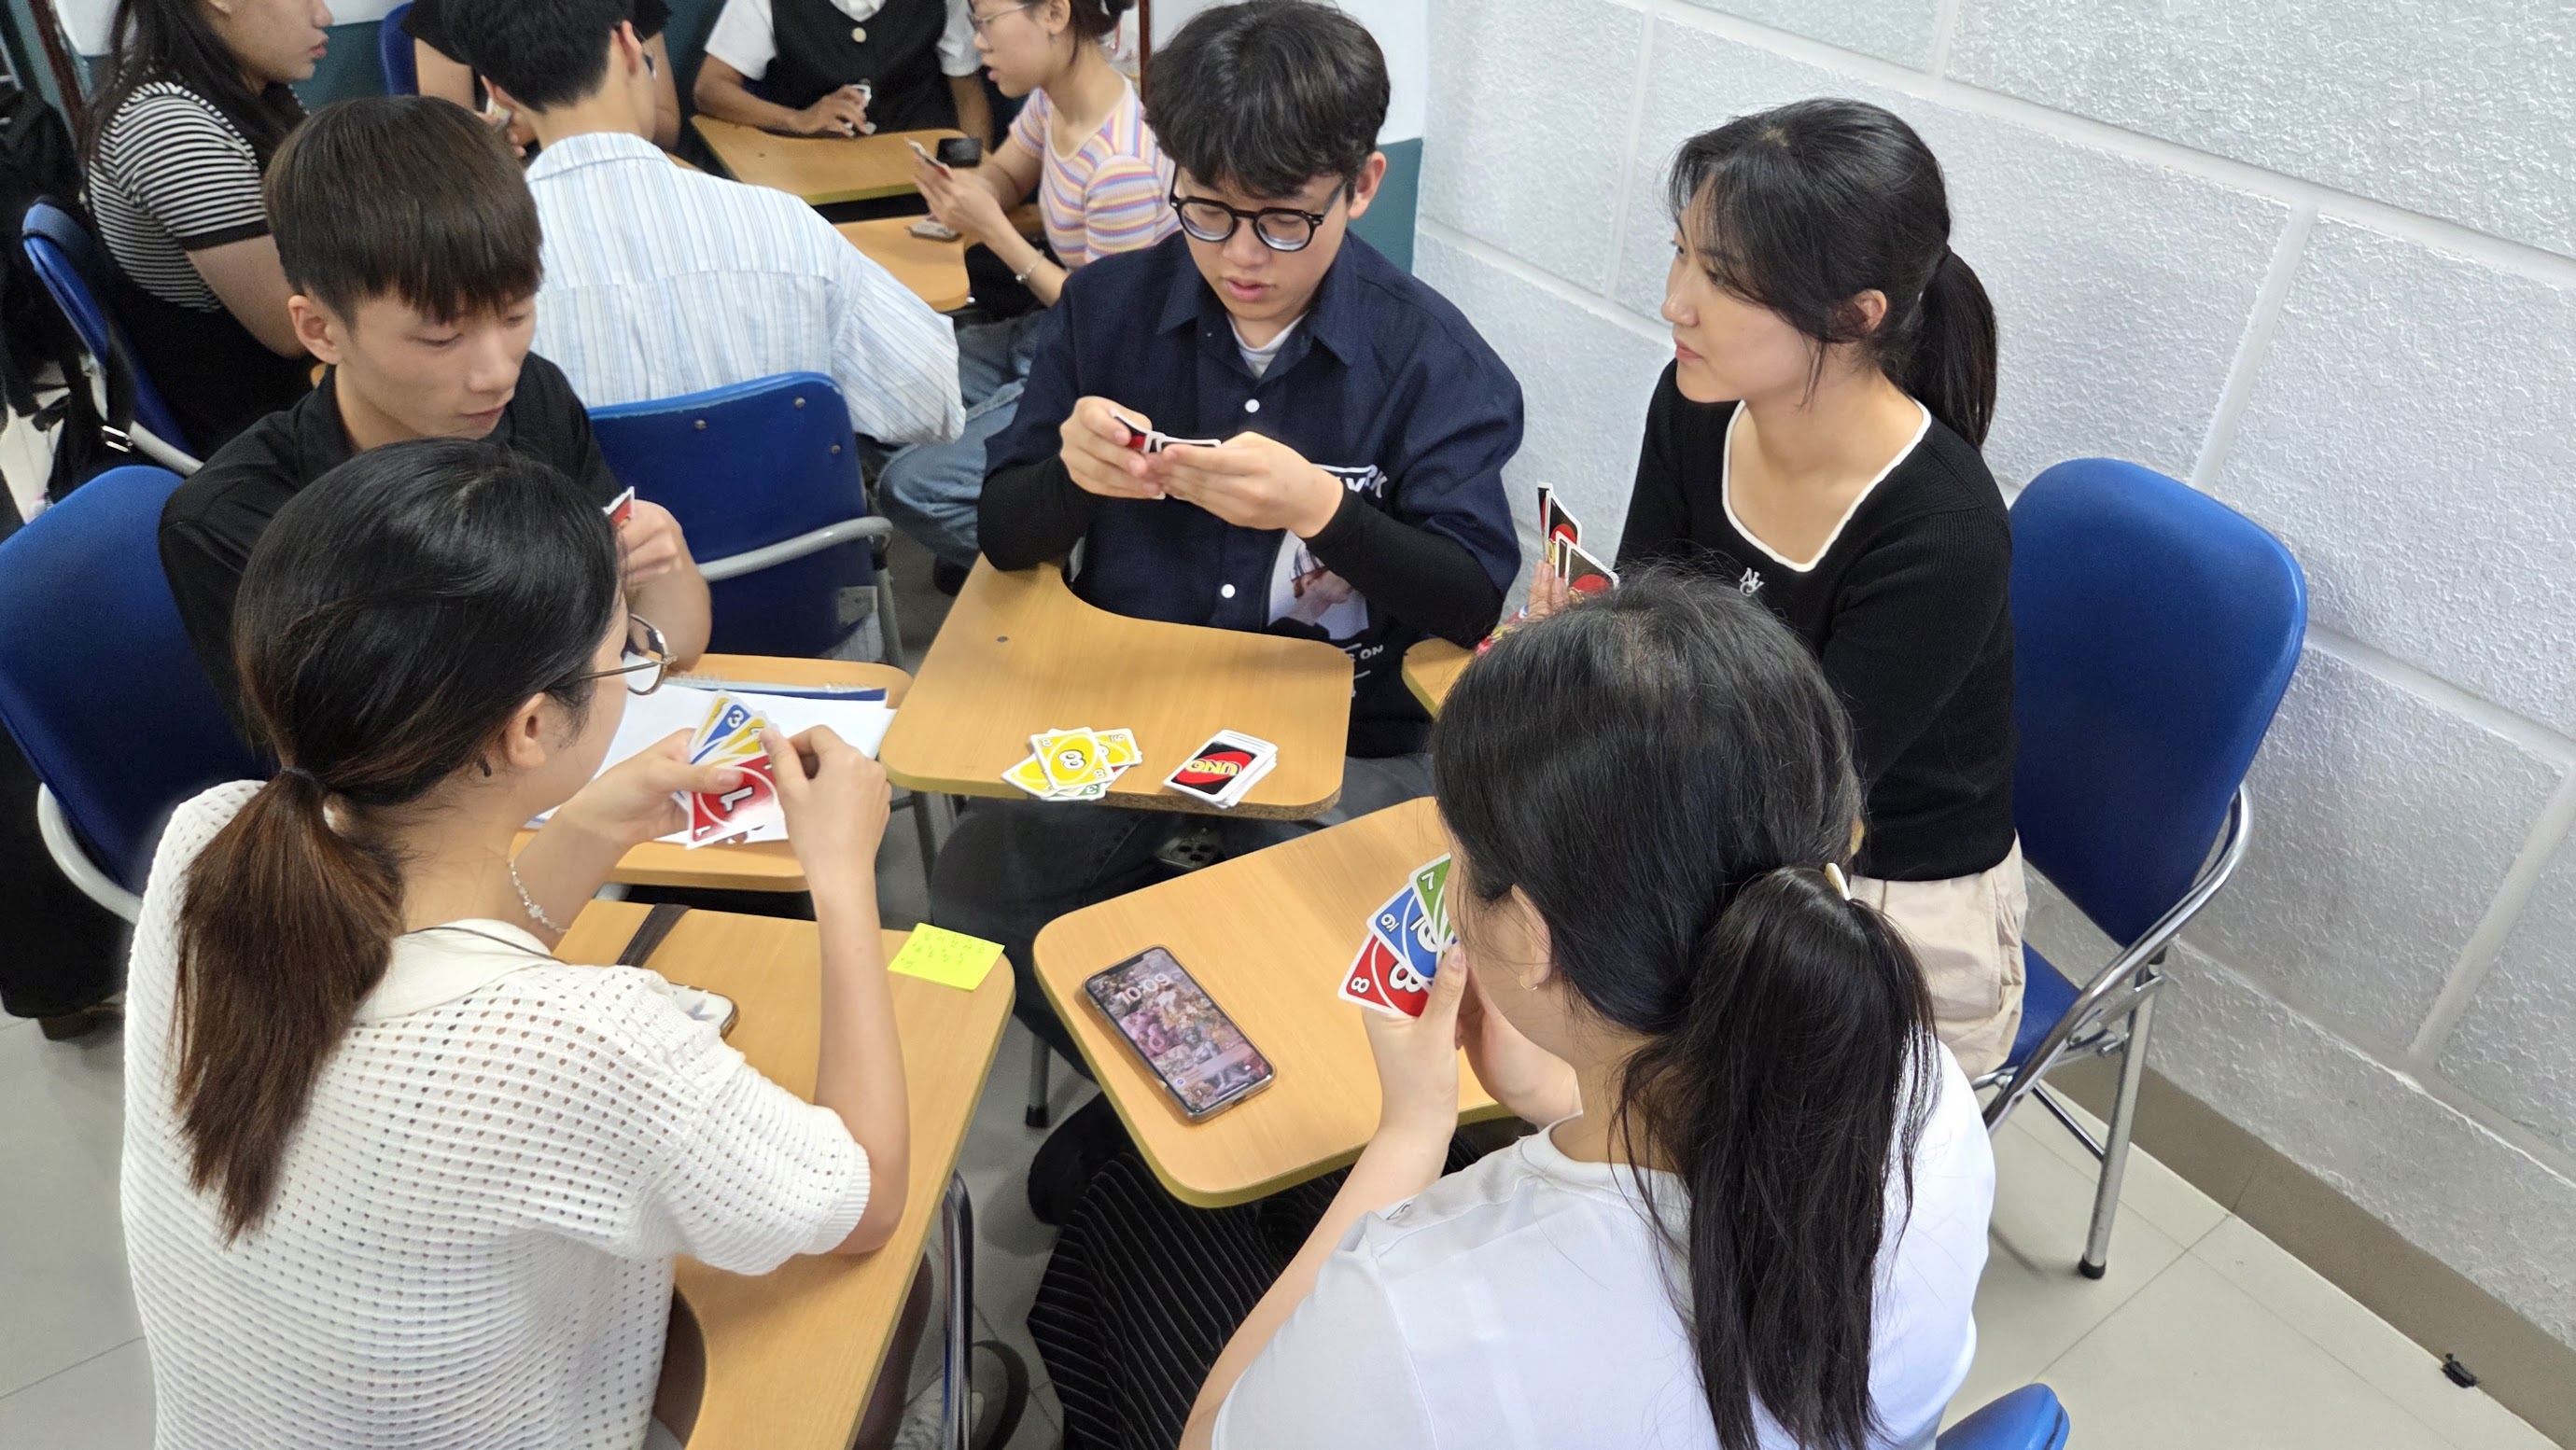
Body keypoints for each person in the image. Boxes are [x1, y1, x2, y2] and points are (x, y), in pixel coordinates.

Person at [1029, 571, 1995, 1450]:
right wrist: (1556, 1101)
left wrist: (1412, 1134)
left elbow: (1214, 1437)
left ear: (1535, 940)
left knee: (1131, 1218)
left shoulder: (1413, 1311)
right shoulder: (1925, 1081)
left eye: (1459, 865)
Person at [121, 438, 908, 1448]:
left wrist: (589, 828)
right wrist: (840, 875)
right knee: (902, 1289)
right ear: (530, 728)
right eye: (627, 652)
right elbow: (864, 1201)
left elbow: (428, 964)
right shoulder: (575, 1039)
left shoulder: (209, 843)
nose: (635, 670)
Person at [930, 0, 1521, 1076]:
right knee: (974, 889)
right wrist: (1072, 476)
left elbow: (1470, 596)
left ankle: (1239, 1118)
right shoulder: (1107, 310)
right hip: (1138, 713)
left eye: (1284, 222)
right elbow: (1006, 537)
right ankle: (1158, 1099)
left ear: (1362, 186)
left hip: (1343, 739)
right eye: (1207, 211)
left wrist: (1323, 512)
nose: (1242, 257)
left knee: (1332, 939)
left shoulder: (1430, 358)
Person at [1536, 99, 2023, 1076]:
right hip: (1711, 817)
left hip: (1880, 903)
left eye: (1722, 279)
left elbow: (1806, 804)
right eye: (1681, 255)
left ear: (1854, 317)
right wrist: (1589, 642)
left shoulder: (1944, 530)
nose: (1676, 303)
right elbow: (1648, 623)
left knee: (1634, 1089)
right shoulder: (1697, 400)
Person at [159, 96, 712, 738]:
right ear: (322, 330)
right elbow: (337, 769)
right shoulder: (239, 523)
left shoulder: (530, 401)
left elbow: (674, 646)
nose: (496, 371)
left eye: (516, 314)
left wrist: (661, 562)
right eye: (442, 338)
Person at [445, 0, 965, 444]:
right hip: (794, 531)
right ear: (628, 44)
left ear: (499, 93)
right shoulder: (786, 228)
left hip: (585, 535)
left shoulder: (470, 272)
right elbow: (933, 402)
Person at [875, 0, 1178, 586]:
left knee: (910, 487)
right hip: (1052, 329)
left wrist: (993, 229)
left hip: (1104, 364)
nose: (977, 41)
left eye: (986, 21)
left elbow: (1108, 320)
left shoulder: (1123, 164)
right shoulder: (1052, 100)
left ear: (1055, 15)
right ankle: (998, 519)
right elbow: (1009, 173)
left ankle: (1061, 569)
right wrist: (967, 196)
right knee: (884, 377)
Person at [78, 0, 326, 450]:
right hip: (264, 425)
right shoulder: (169, 126)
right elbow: (293, 332)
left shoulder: (246, 89)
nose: (324, 16)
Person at [694, 0, 992, 144]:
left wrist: (975, 179)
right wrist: (796, 119)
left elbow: (967, 93)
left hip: (919, 178)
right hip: (810, 182)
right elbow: (711, 88)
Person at [403, 0, 681, 150]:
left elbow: (668, 127)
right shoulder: (446, 11)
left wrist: (551, 118)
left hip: (627, 166)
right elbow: (449, 144)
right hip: (511, 188)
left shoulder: (631, 7)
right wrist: (488, 140)